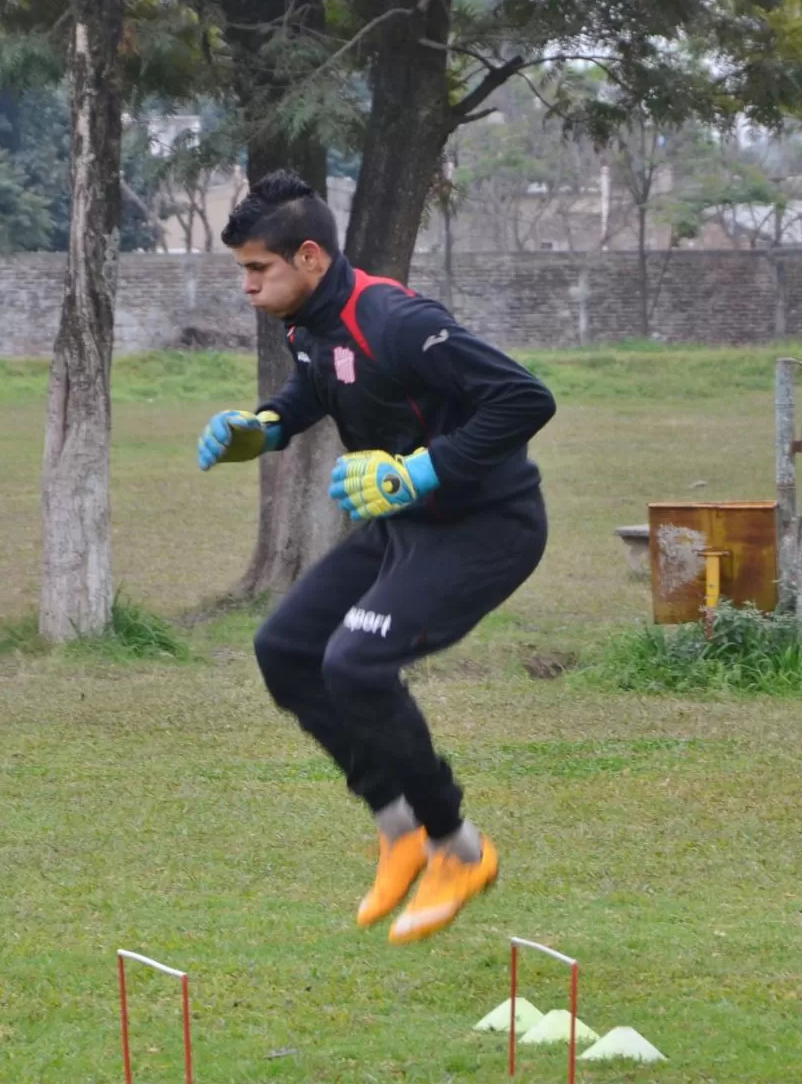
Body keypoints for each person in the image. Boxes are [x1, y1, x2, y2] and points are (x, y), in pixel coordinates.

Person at [197, 171, 555, 944]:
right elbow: (317, 385)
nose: (249, 286)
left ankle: (458, 847)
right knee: (285, 648)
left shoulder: (393, 318)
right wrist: (264, 425)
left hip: (486, 527)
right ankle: (400, 829)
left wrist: (421, 468)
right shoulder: (308, 324)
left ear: (312, 257)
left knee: (355, 663)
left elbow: (525, 399)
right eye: (244, 272)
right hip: (405, 527)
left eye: (260, 269)